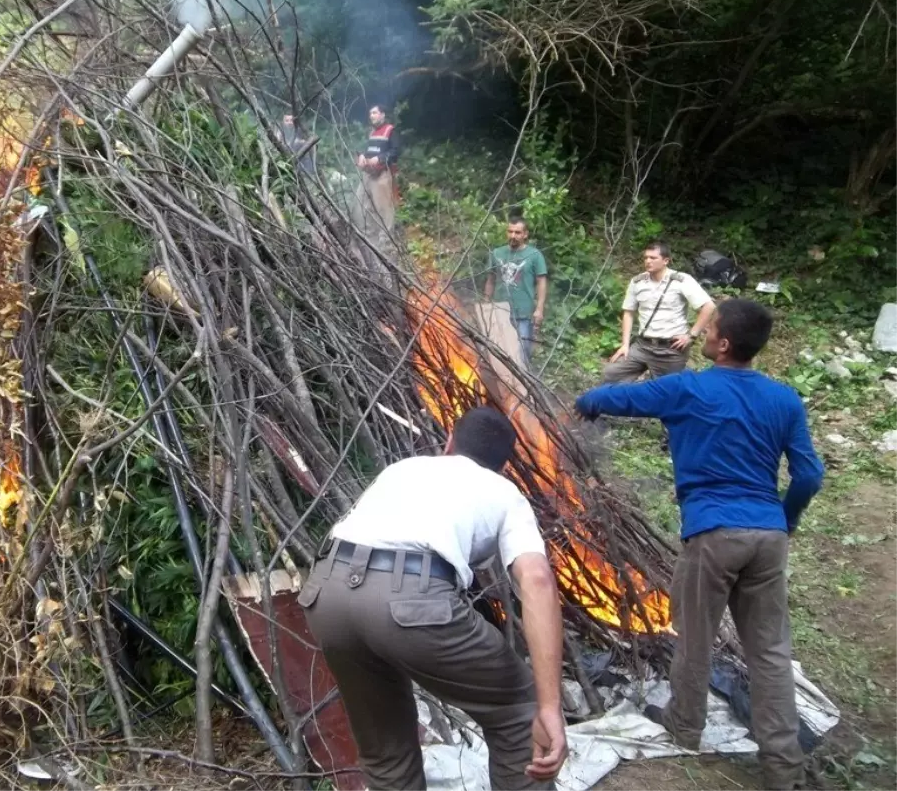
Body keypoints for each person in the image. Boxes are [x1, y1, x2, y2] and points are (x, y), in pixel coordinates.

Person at [575, 299, 823, 791]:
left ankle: (685, 725)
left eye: (708, 329)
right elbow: (809, 475)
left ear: (723, 344)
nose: (702, 334)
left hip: (712, 533)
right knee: (770, 652)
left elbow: (617, 400)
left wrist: (587, 401)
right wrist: (784, 518)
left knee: (693, 635)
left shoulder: (689, 388)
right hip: (768, 537)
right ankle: (783, 765)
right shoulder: (785, 399)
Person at [299, 407, 567, 791]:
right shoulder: (505, 493)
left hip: (327, 591)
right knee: (519, 709)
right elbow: (537, 579)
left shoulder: (402, 470)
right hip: (412, 600)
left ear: (449, 444)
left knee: (386, 749)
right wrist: (549, 706)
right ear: (502, 467)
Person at [604, 241, 716, 384]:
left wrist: (691, 336)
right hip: (642, 345)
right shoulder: (638, 282)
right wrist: (625, 344)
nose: (648, 261)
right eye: (645, 258)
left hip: (670, 349)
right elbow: (629, 312)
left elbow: (708, 306)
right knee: (612, 374)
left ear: (665, 261)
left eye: (653, 258)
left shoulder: (681, 280)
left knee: (666, 392)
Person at [484, 217, 549, 366]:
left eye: (517, 232)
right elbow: (490, 280)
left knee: (522, 351)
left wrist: (539, 309)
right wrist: (486, 303)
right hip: (499, 312)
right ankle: (503, 385)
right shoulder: (497, 253)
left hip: (523, 313)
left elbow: (541, 282)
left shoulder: (534, 255)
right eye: (510, 232)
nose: (513, 236)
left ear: (525, 234)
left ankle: (523, 386)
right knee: (498, 352)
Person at [354, 103, 400, 243]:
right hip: (368, 173)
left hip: (382, 174)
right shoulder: (372, 132)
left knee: (383, 206)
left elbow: (395, 152)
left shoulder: (390, 130)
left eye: (374, 113)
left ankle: (385, 237)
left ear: (382, 114)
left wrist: (379, 158)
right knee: (362, 203)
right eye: (370, 114)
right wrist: (362, 155)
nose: (371, 116)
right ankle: (369, 234)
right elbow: (369, 150)